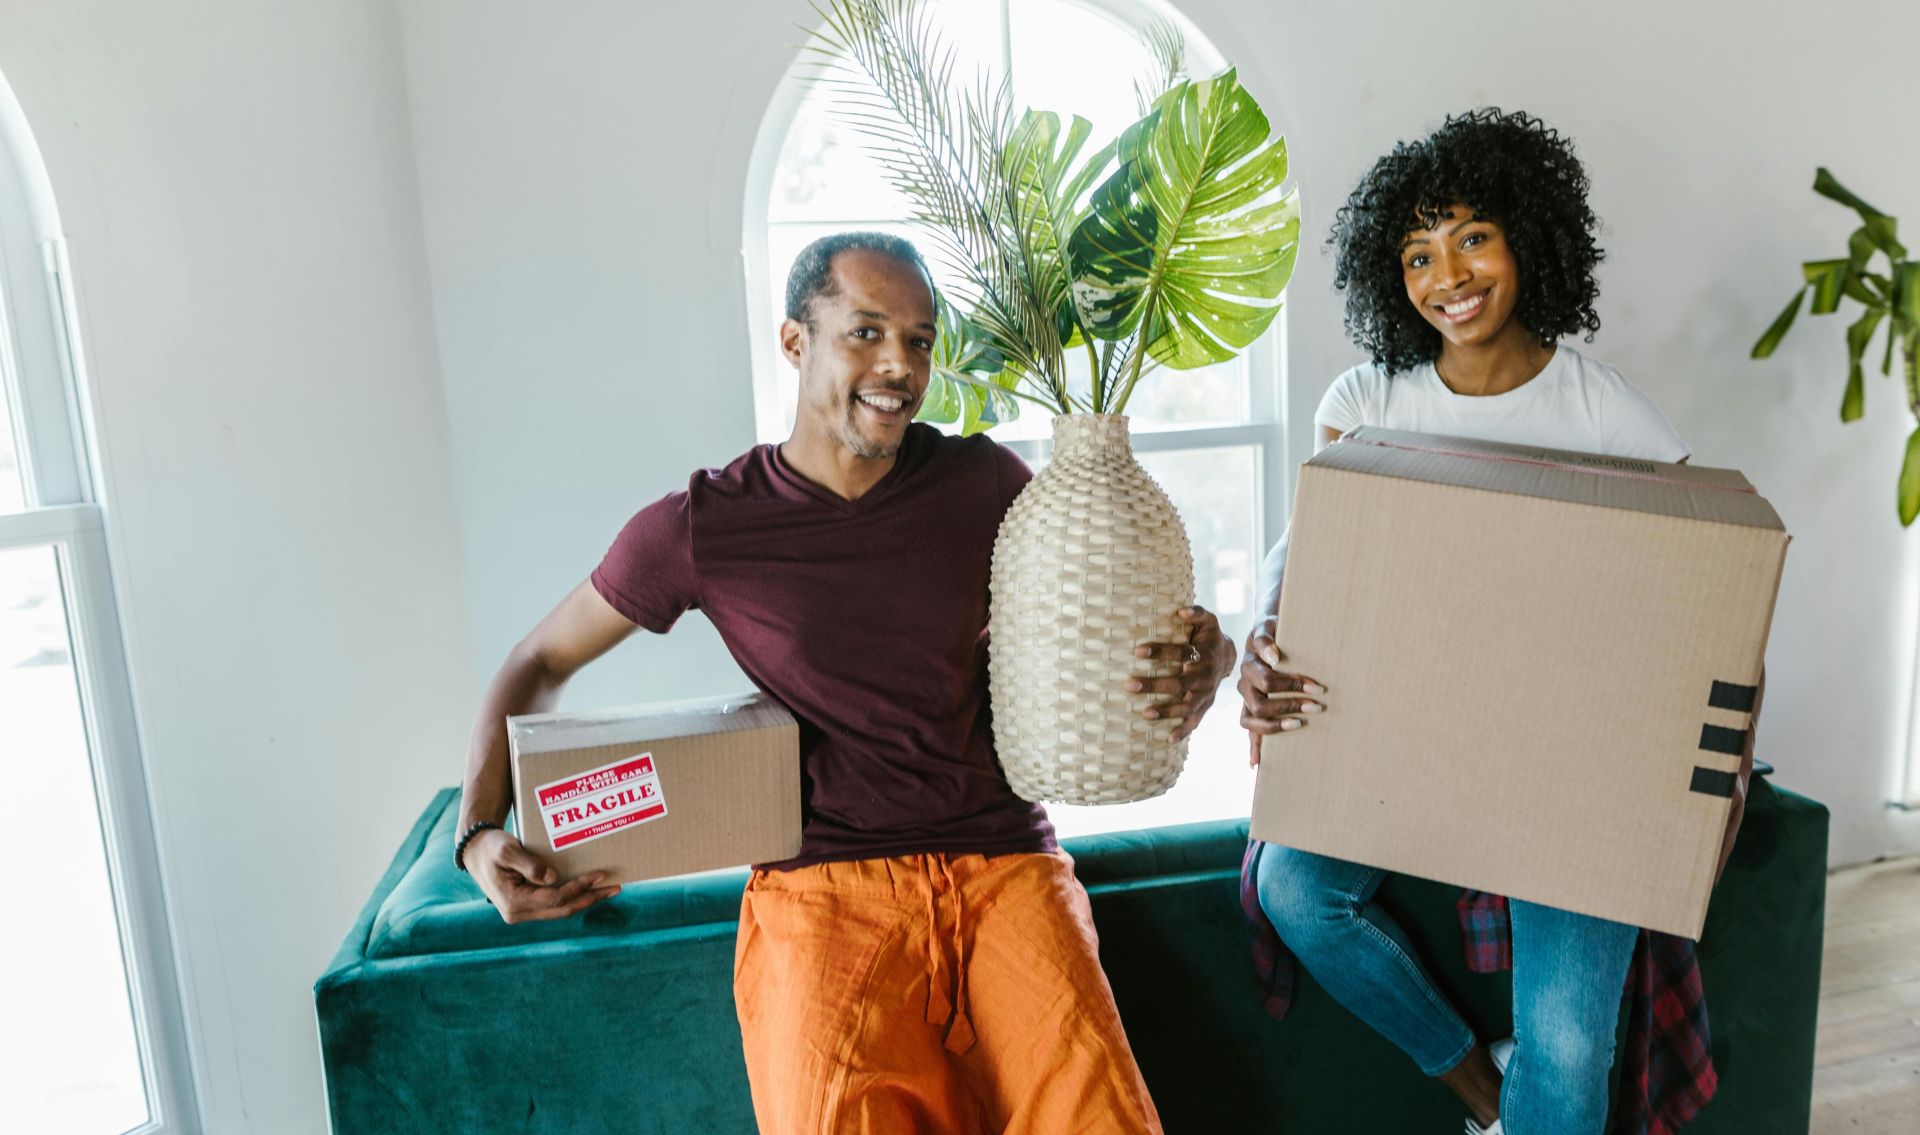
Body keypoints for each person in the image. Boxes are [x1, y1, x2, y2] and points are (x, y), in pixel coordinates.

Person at [450, 230, 1237, 1134]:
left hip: (1005, 864)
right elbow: (537, 661)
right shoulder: (704, 526)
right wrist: (476, 833)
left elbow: (1111, 639)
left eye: (919, 339)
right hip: (823, 889)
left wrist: (1203, 662)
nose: (899, 364)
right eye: (866, 332)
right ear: (796, 341)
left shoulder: (986, 486)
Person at [1236, 109, 1752, 1134]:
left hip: (1571, 772)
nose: (1449, 276)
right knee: (1295, 888)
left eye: (1472, 237)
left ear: (1527, 235)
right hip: (1407, 744)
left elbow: (1713, 583)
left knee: (1570, 1048)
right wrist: (1260, 640)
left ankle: (1532, 1091)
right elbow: (1305, 565)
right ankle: (1485, 1092)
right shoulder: (1367, 397)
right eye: (1418, 254)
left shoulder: (1606, 413)